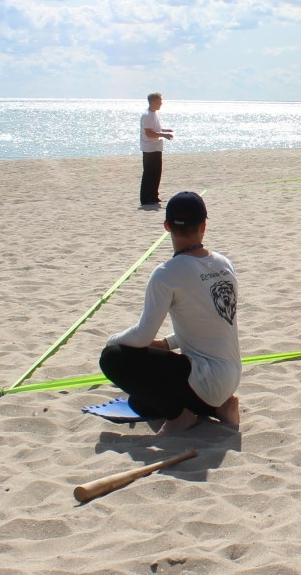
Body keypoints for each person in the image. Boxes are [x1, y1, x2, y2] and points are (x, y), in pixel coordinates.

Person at [99, 192, 240, 435]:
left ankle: (180, 417)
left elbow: (142, 336)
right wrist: (167, 343)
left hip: (204, 379)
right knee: (139, 402)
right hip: (230, 376)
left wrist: (113, 340)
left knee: (111, 357)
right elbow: (214, 319)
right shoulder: (224, 264)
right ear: (203, 225)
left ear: (167, 226)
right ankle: (221, 407)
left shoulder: (166, 273)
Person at [139, 93, 173, 207]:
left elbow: (156, 129)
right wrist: (163, 134)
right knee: (149, 173)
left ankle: (154, 196)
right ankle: (145, 199)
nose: (161, 103)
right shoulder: (147, 115)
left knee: (156, 173)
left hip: (156, 148)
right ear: (154, 102)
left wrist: (165, 130)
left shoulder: (154, 114)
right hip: (149, 149)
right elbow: (149, 133)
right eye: (160, 101)